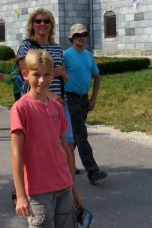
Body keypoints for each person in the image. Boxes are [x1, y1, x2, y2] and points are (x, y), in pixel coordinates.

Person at [10, 49, 82, 227]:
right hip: (38, 190)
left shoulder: (57, 108)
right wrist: (20, 195)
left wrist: (73, 188)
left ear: (53, 76)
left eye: (47, 75)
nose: (42, 80)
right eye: (36, 75)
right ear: (26, 74)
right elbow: (16, 155)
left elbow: (65, 149)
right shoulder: (21, 109)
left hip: (63, 185)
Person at [16, 8, 74, 146]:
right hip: (37, 103)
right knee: (41, 144)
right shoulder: (26, 46)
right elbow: (27, 76)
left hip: (60, 102)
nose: (42, 24)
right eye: (38, 21)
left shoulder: (58, 48)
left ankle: (65, 168)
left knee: (68, 143)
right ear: (32, 24)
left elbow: (66, 78)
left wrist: (61, 72)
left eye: (46, 21)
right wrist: (50, 96)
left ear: (51, 25)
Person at [64, 24, 107, 185]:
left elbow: (97, 76)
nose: (81, 37)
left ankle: (66, 164)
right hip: (70, 99)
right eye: (78, 35)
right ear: (72, 38)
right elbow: (60, 77)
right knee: (81, 134)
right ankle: (92, 171)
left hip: (84, 99)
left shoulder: (88, 55)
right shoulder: (66, 55)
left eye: (84, 34)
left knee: (75, 136)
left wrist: (93, 99)